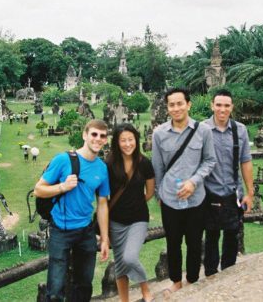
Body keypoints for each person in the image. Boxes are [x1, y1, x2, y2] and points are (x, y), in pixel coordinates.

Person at [34, 119, 111, 301]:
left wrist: (105, 238)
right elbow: (38, 189)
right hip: (61, 230)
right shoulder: (63, 160)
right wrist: (62, 187)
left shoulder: (102, 168)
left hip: (86, 232)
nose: (97, 139)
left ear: (106, 140)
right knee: (55, 289)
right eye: (93, 134)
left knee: (84, 285)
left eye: (102, 136)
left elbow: (102, 204)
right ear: (85, 135)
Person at [152, 87, 216, 295]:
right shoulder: (159, 133)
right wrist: (159, 194)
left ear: (188, 104)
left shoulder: (203, 131)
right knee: (173, 242)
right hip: (170, 198)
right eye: (172, 104)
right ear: (167, 108)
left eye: (180, 103)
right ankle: (176, 281)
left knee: (195, 241)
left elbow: (209, 160)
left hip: (196, 197)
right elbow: (158, 167)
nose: (176, 108)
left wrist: (194, 181)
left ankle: (192, 279)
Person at [202, 89, 253, 277]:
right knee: (211, 235)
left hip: (233, 192)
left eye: (226, 106)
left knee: (232, 234)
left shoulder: (240, 130)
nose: (222, 110)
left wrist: (250, 192)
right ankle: (210, 276)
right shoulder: (202, 129)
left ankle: (228, 277)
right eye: (218, 105)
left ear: (232, 107)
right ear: (212, 105)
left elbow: (245, 161)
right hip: (209, 192)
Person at [106, 124, 155, 302]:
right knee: (120, 266)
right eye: (123, 140)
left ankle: (145, 289)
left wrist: (134, 203)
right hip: (116, 221)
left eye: (131, 139)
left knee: (130, 257)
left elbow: (149, 192)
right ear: (117, 143)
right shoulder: (109, 164)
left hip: (138, 219)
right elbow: (103, 198)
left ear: (136, 140)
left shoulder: (144, 163)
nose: (127, 144)